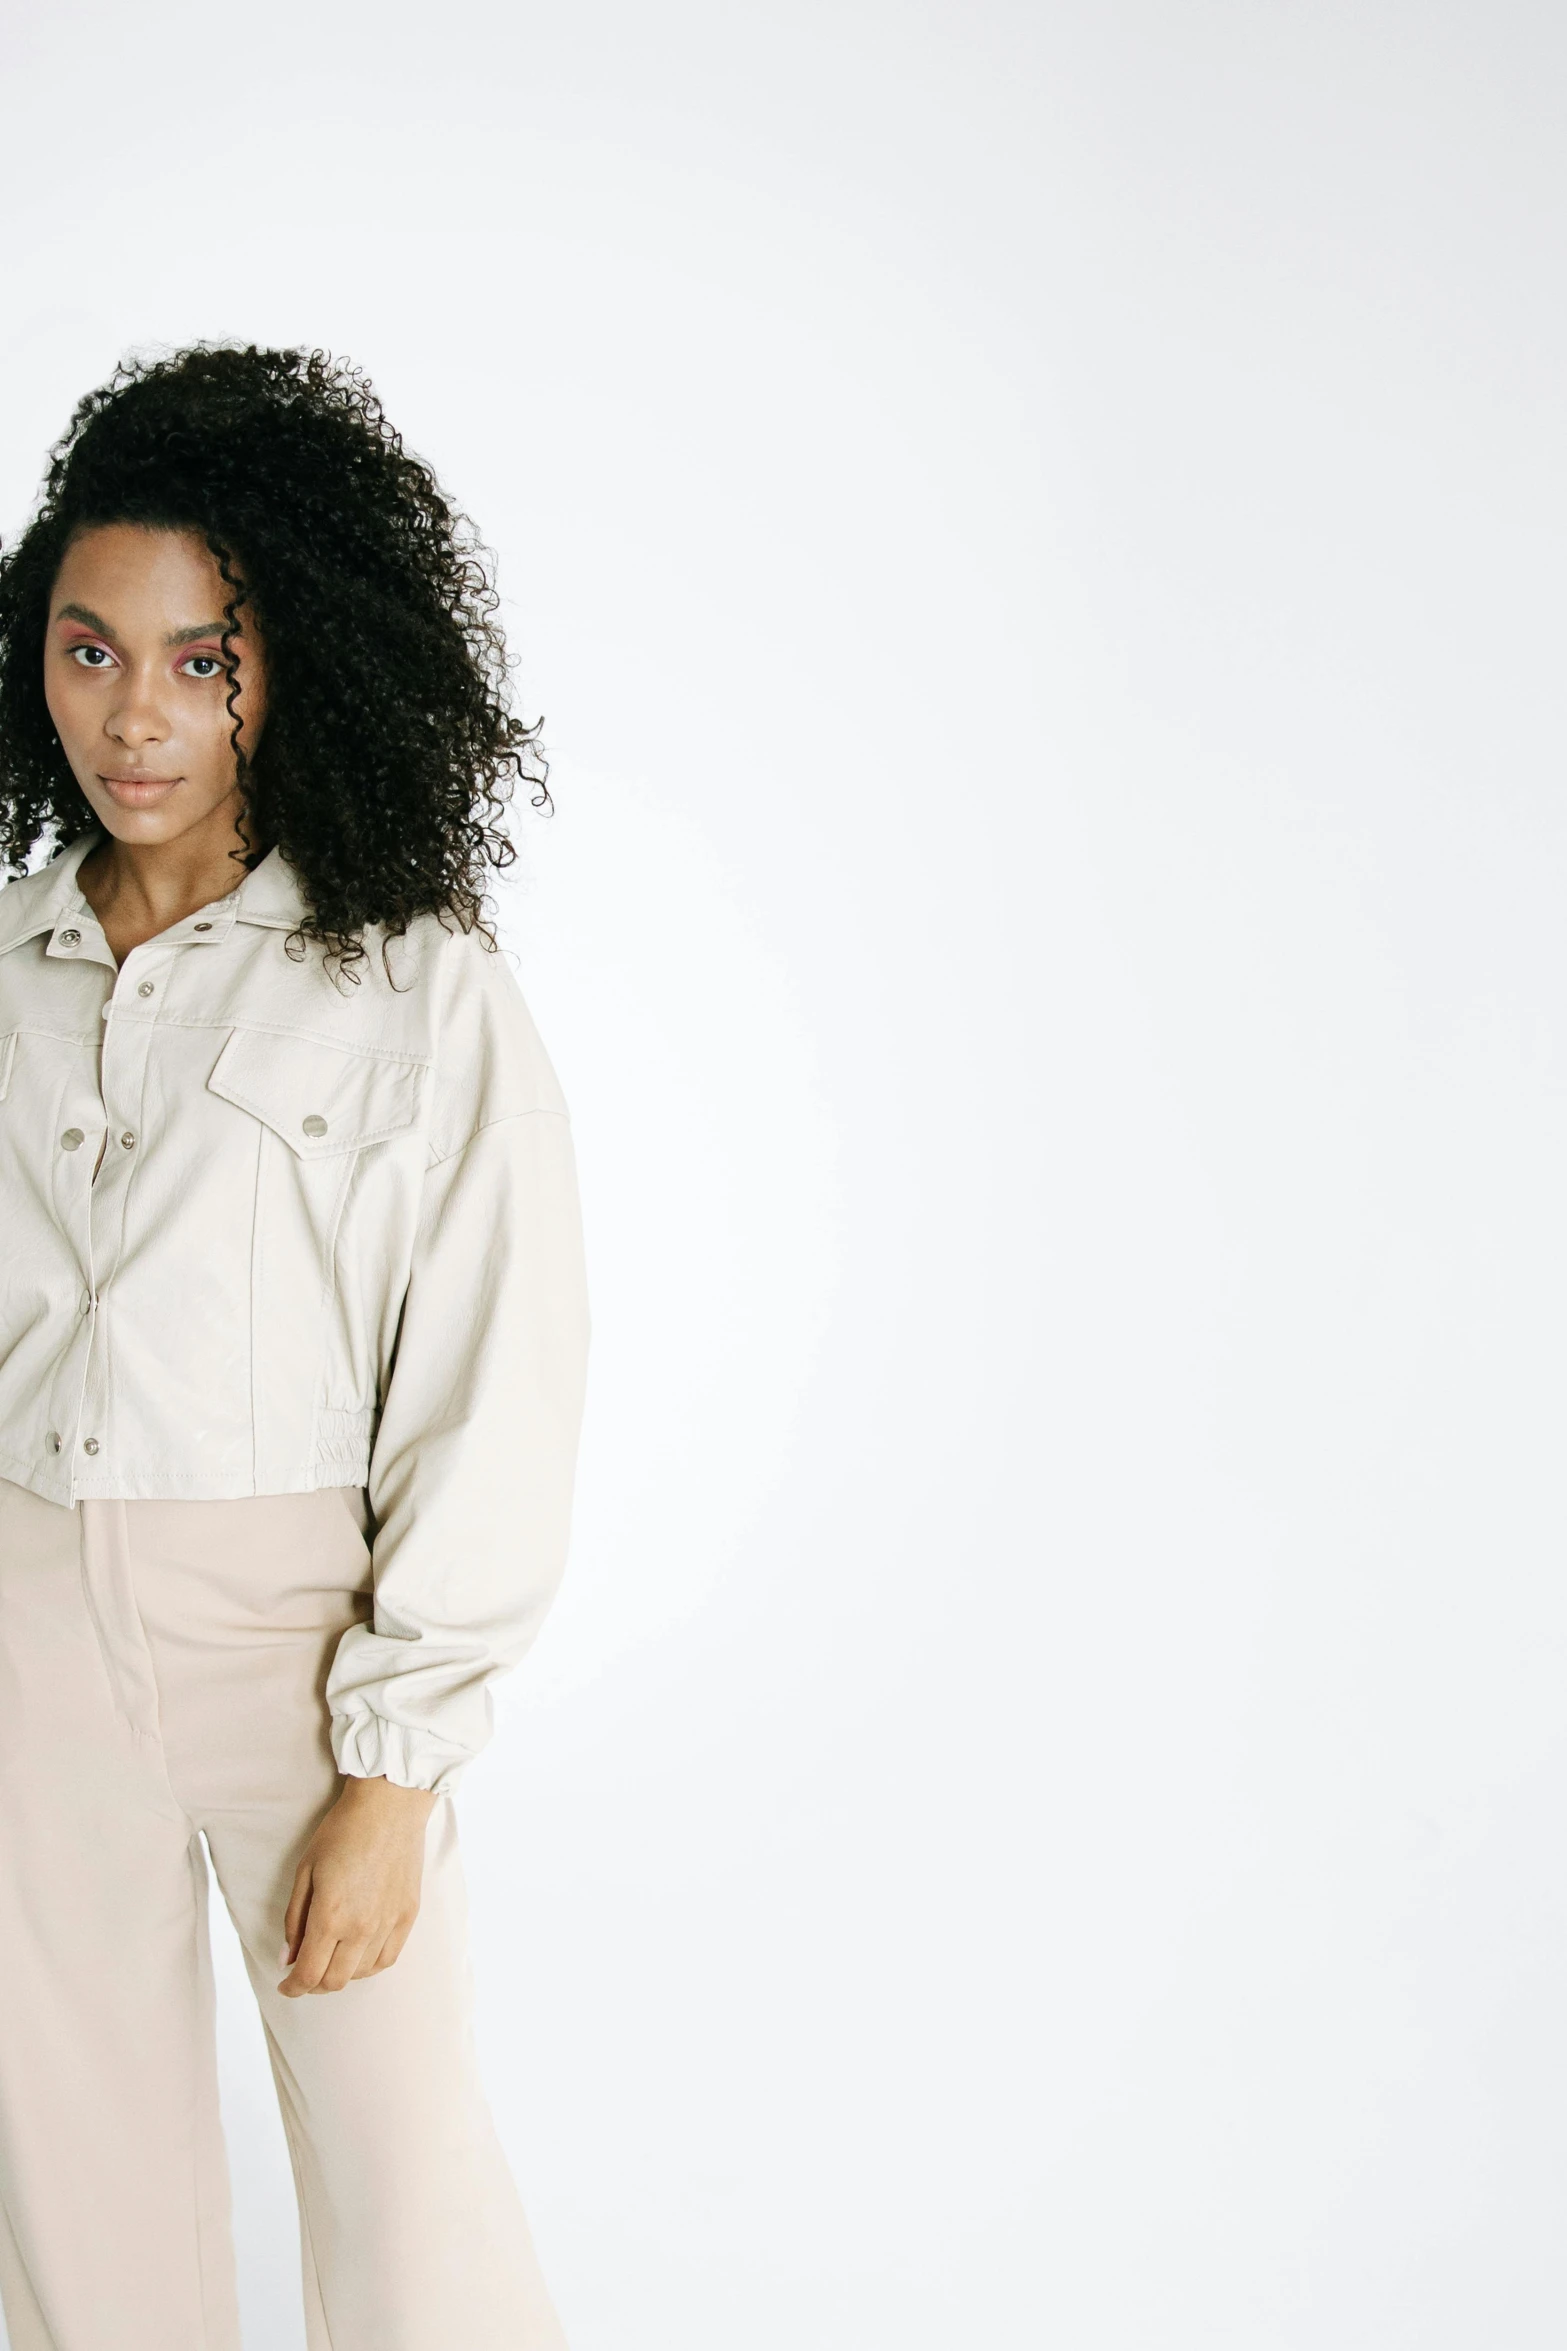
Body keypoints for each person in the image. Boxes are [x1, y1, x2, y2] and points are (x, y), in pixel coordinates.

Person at [0, 345, 591, 2351]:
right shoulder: (0, 968)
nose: (134, 714)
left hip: (296, 1639)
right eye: (90, 650)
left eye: (197, 655)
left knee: (403, 2186)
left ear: (292, 657)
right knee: (73, 2193)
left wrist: (397, 1763)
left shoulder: (411, 984)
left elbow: (498, 1378)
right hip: (21, 1627)